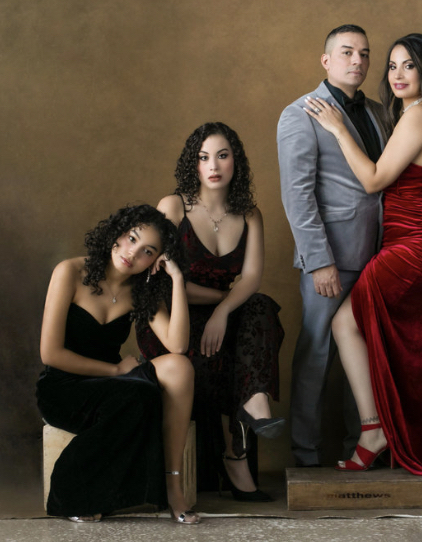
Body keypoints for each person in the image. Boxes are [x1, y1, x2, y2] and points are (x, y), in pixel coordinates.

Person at [304, 33, 422, 504]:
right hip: (416, 243)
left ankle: (374, 431)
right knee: (405, 347)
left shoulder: (421, 114)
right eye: (393, 65)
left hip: (418, 245)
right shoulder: (413, 114)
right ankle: (380, 432)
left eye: (410, 66)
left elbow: (374, 180)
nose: (398, 75)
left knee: (345, 323)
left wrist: (339, 129)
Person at [137, 122, 284, 501]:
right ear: (194, 164)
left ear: (236, 161)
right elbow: (163, 280)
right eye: (204, 158)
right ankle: (234, 455)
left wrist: (222, 312)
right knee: (216, 356)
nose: (213, 166)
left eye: (222, 155)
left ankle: (256, 400)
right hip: (176, 317)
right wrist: (222, 300)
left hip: (221, 313)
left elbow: (251, 278)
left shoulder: (249, 214)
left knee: (261, 307)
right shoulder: (173, 207)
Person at [36, 204, 199, 524]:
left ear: (156, 260)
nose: (132, 253)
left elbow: (178, 345)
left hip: (113, 389)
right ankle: (73, 493)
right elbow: (50, 354)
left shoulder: (141, 291)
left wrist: (177, 278)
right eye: (132, 238)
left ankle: (173, 487)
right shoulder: (70, 272)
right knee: (138, 396)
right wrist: (114, 370)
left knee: (180, 368)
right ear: (117, 232)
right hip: (63, 387)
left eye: (147, 251)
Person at [277, 24, 388, 468]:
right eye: (347, 52)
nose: (357, 60)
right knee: (317, 356)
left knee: (365, 356)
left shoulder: (379, 112)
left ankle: (359, 450)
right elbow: (297, 195)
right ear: (326, 60)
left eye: (364, 53)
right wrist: (318, 260)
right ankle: (305, 457)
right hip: (331, 257)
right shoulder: (299, 113)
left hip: (379, 254)